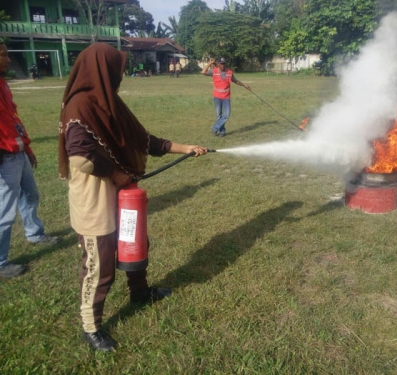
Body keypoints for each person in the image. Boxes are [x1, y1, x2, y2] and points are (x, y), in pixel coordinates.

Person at [58, 43, 208, 352]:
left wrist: (186, 148)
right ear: (102, 70)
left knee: (134, 243)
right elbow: (80, 156)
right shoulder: (80, 106)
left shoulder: (111, 103)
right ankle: (91, 326)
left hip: (123, 197)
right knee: (100, 266)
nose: (121, 76)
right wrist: (117, 175)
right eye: (117, 70)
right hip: (95, 202)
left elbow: (145, 140)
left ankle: (139, 292)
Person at [0, 38, 60, 279]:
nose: (7, 59)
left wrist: (27, 148)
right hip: (4, 158)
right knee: (4, 211)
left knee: (30, 195)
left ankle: (34, 233)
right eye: (3, 55)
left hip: (18, 152)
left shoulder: (3, 84)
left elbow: (13, 119)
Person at [201, 57, 251, 137]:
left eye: (224, 63)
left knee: (226, 115)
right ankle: (222, 132)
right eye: (221, 63)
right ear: (218, 64)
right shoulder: (214, 71)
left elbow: (236, 81)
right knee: (219, 116)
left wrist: (244, 85)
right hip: (217, 97)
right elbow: (203, 72)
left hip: (226, 97)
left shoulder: (229, 72)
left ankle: (214, 128)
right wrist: (210, 63)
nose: (222, 65)